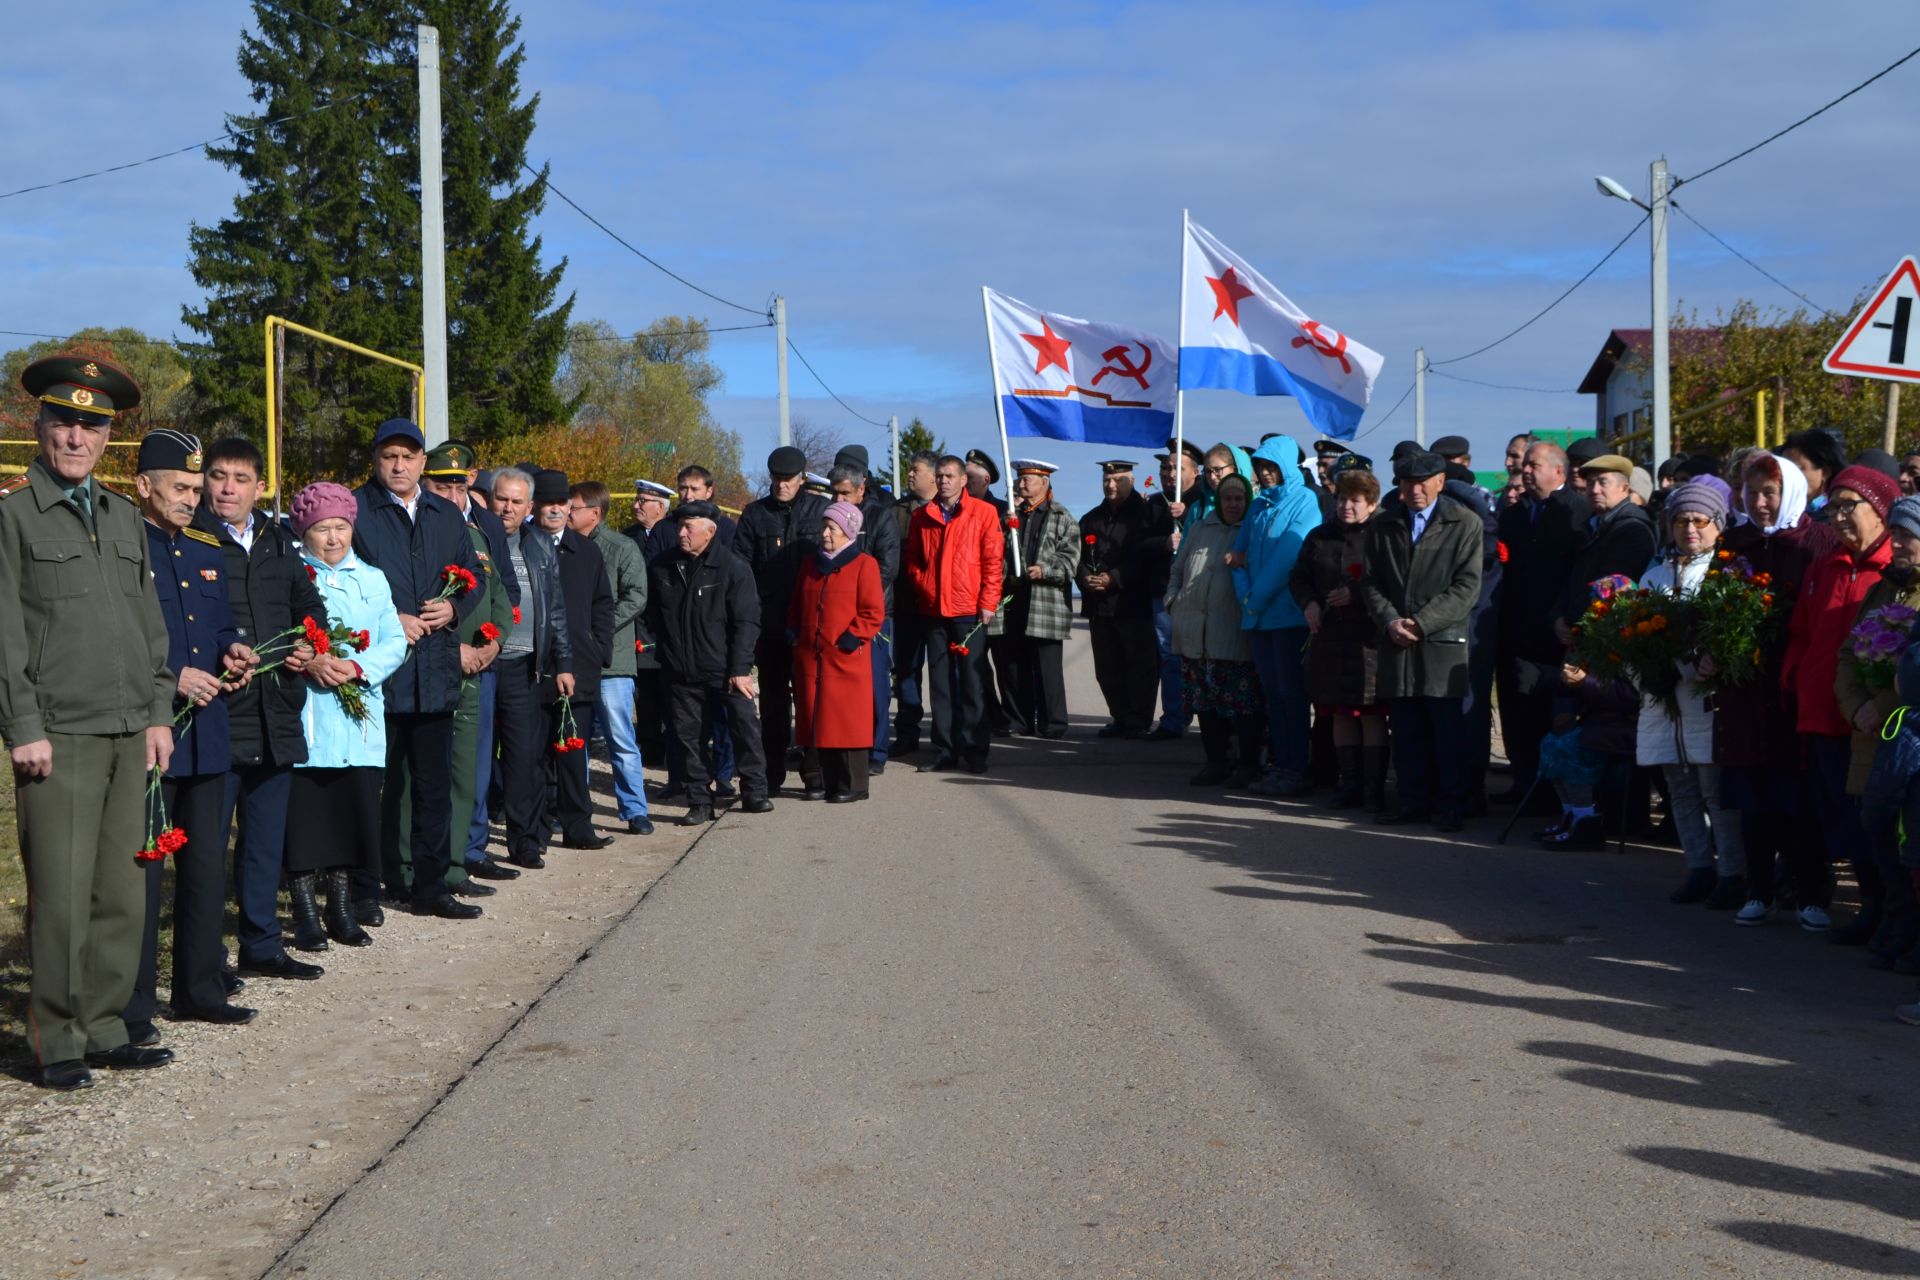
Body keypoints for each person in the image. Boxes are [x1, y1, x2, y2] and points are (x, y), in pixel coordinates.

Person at [1, 355, 178, 1089]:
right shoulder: (13, 517)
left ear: (110, 436)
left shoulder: (122, 517)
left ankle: (106, 1025)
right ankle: (59, 1040)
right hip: (60, 733)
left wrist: (159, 711)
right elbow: (5, 633)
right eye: (65, 421)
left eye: (92, 425)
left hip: (128, 728)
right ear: (40, 425)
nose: (77, 437)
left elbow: (148, 626)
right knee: (64, 894)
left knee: (119, 890)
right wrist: (23, 726)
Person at [125, 428, 261, 1035]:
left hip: (207, 734)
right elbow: (122, 639)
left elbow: (223, 621)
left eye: (194, 485)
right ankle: (131, 1004)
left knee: (205, 866)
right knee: (145, 873)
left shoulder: (206, 549)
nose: (192, 497)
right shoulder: (125, 547)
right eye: (179, 487)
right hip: (149, 734)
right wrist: (171, 676)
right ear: (143, 486)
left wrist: (234, 649)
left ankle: (200, 988)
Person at [194, 436, 330, 980]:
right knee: (205, 848)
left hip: (276, 712)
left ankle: (261, 944)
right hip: (218, 712)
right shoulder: (193, 538)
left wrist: (308, 644)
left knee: (264, 839)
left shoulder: (277, 541)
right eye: (219, 476)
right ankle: (203, 959)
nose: (228, 488)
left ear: (260, 487)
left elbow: (310, 609)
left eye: (241, 478)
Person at [352, 418, 483, 921]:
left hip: (434, 672)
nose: (399, 465)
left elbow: (470, 577)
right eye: (390, 456)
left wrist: (454, 609)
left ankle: (430, 886)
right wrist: (390, 618)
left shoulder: (446, 516)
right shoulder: (357, 511)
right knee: (371, 787)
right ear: (376, 459)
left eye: (409, 456)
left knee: (432, 787)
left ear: (423, 463)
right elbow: (337, 580)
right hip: (377, 677)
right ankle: (365, 888)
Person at [1716, 453, 1836, 930]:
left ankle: (1809, 893)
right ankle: (1758, 889)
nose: (1761, 503)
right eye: (1752, 492)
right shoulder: (1735, 542)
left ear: (1790, 491)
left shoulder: (1815, 542)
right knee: (1754, 798)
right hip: (1746, 692)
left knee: (1799, 800)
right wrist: (1712, 646)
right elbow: (1712, 605)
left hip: (1794, 691)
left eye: (1770, 492)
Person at [289, 483, 408, 949]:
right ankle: (304, 912)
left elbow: (394, 641)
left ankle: (341, 908)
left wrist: (358, 667)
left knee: (350, 815)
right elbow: (282, 635)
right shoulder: (293, 574)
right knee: (305, 818)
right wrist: (309, 660)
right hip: (309, 716)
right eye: (322, 529)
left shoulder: (373, 579)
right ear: (305, 532)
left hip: (358, 717)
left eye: (341, 528)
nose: (333, 538)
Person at [1784, 464, 1899, 946]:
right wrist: (1795, 679)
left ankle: (1883, 908)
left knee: (1872, 824)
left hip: (1870, 722)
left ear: (1880, 508)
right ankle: (1872, 907)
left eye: (1848, 505)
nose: (1837, 517)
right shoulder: (1825, 566)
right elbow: (1802, 634)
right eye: (1832, 507)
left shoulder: (1894, 571)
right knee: (1841, 821)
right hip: (1821, 716)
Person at [1636, 483, 1745, 906]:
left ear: (1718, 525)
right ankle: (1698, 866)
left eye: (1700, 520)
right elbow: (1632, 637)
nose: (1690, 529)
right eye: (1681, 521)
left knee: (1715, 790)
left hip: (1706, 701)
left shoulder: (1727, 575)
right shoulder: (1654, 575)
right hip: (1664, 703)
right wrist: (1646, 671)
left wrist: (1695, 662)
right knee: (1679, 788)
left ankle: (1733, 871)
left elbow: (1729, 638)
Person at [1362, 450, 1483, 832]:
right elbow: (1370, 582)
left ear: (1440, 482)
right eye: (1407, 482)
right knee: (1407, 731)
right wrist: (1390, 621)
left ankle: (1451, 805)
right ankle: (1411, 802)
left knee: (1447, 733)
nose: (1414, 489)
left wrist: (1421, 623)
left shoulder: (1464, 523)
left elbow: (1467, 587)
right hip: (1397, 642)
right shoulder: (1383, 526)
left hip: (1442, 643)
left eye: (1422, 482)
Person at [420, 441, 517, 887]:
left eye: (460, 486)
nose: (454, 496)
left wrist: (490, 647)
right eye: (443, 486)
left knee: (469, 773)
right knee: (421, 775)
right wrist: (452, 648)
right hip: (431, 664)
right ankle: (413, 866)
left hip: (477, 667)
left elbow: (499, 597)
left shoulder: (477, 535)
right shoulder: (417, 533)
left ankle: (459, 861)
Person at [1834, 492, 1920, 969]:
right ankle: (1888, 917)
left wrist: (1883, 705)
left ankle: (1905, 928)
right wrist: (1856, 706)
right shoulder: (1883, 588)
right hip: (1871, 734)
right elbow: (1850, 652)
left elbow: (1916, 669)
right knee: (1875, 831)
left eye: (1909, 536)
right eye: (1899, 534)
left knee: (1906, 840)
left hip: (1903, 730)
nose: (1900, 545)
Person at [649, 500, 774, 822]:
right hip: (681, 672)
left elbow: (747, 622)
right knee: (688, 739)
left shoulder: (732, 568)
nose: (681, 533)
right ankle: (699, 801)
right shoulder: (663, 566)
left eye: (689, 527)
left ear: (710, 530)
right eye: (679, 526)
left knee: (745, 729)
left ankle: (754, 791)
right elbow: (652, 616)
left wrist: (740, 669)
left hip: (726, 671)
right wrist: (666, 652)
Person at [486, 469, 573, 868]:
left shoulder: (539, 545)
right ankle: (468, 843)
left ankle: (524, 840)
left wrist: (563, 663)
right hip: (481, 666)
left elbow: (555, 611)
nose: (507, 507)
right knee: (479, 757)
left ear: (529, 507)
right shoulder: (475, 539)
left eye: (516, 502)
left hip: (524, 667)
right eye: (502, 498)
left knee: (524, 758)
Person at [1230, 436, 1324, 794]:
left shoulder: (1305, 501)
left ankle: (1295, 768)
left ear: (1285, 467)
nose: (1266, 474)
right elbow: (1237, 558)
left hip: (1286, 615)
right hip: (1257, 616)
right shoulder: (1257, 507)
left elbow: (1288, 557)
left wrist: (1255, 598)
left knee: (1291, 694)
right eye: (1260, 468)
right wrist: (1246, 598)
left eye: (1271, 467)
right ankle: (1279, 765)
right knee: (1271, 694)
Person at [1494, 442, 1585, 808]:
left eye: (1534, 465)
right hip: (1517, 634)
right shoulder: (1515, 515)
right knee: (1518, 712)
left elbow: (1576, 573)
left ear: (1558, 473)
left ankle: (1553, 791)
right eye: (1525, 465)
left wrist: (1563, 616)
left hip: (1557, 636)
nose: (1526, 471)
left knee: (1554, 715)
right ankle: (1525, 782)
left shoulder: (1576, 512)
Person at [1291, 465, 1386, 808]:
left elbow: (1393, 579)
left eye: (1356, 500)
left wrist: (1357, 594)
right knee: (1339, 712)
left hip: (1369, 640)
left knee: (1371, 712)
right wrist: (1310, 603)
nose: (1347, 506)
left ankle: (1373, 788)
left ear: (1372, 504)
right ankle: (1349, 783)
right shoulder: (1319, 536)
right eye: (1343, 498)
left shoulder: (1384, 534)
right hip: (1329, 637)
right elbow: (1299, 577)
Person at [736, 445, 829, 795]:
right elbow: (741, 567)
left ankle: (814, 771)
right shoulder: (755, 515)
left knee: (811, 702)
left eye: (788, 479)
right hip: (771, 624)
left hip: (810, 624)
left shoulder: (821, 511)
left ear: (802, 478)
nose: (781, 485)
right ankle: (771, 773)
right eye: (776, 479)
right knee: (773, 705)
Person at [903, 454, 1005, 773]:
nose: (944, 481)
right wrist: (925, 586)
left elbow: (992, 561)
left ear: (963, 480)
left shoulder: (984, 513)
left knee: (973, 683)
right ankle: (945, 748)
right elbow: (913, 559)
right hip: (934, 610)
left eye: (950, 476)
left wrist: (989, 601)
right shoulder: (923, 516)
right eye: (940, 476)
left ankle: (975, 750)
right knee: (940, 684)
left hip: (969, 611)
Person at [532, 471, 614, 850]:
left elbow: (603, 605)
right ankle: (535, 829)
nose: (554, 509)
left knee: (572, 751)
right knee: (533, 755)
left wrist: (599, 651)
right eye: (547, 503)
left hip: (578, 668)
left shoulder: (586, 551)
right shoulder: (522, 546)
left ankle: (578, 827)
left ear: (569, 507)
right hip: (532, 669)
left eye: (561, 503)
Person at [1168, 466, 1264, 787]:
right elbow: (1177, 569)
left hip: (1232, 633)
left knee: (1242, 706)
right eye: (1227, 498)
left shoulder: (1253, 529)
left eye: (1239, 498)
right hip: (1195, 633)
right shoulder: (1198, 528)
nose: (1233, 504)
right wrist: (1173, 600)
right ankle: (1216, 762)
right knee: (1205, 703)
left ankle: (1248, 764)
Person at [570, 480, 653, 835]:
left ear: (594, 513)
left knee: (620, 739)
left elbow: (636, 596)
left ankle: (634, 810)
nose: (566, 512)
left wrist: (597, 628)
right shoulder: (562, 547)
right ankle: (576, 810)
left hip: (612, 663)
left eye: (573, 507)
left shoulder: (621, 547)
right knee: (575, 740)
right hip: (572, 663)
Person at [790, 501, 886, 802]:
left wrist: (851, 637)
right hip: (811, 657)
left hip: (844, 658)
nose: (825, 533)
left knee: (846, 723)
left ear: (848, 532)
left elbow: (872, 612)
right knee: (818, 721)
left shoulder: (864, 564)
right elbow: (797, 603)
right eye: (824, 527)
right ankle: (826, 783)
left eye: (832, 528)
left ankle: (854, 785)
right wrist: (794, 631)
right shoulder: (810, 563)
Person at [988, 459, 1081, 739]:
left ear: (1044, 482)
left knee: (1047, 667)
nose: (1021, 483)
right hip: (1012, 598)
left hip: (1045, 600)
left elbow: (1070, 561)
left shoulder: (1061, 517)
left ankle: (1053, 723)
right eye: (1020, 478)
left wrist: (1046, 570)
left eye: (1028, 478)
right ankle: (1019, 719)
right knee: (1013, 665)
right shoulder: (1010, 518)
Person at [1077, 459, 1166, 740]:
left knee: (1139, 666)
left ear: (1132, 481)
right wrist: (1084, 579)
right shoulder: (1091, 518)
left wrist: (1113, 577)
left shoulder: (1145, 514)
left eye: (1118, 480)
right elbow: (1077, 556)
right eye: (1107, 480)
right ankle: (1119, 716)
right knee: (1107, 667)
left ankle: (1138, 720)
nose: (1111, 485)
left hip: (1133, 603)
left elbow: (1144, 556)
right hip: (1098, 605)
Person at [829, 448, 901, 774]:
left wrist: (857, 598)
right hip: (835, 616)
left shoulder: (879, 517)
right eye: (835, 492)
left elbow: (887, 568)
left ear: (861, 489)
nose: (840, 498)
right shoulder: (828, 515)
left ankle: (876, 749)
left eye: (846, 492)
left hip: (874, 615)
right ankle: (844, 746)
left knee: (875, 686)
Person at [1554, 454, 1657, 648]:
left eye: (1603, 482)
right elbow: (1573, 578)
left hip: (1612, 641)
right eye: (1591, 483)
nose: (1594, 490)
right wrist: (1558, 617)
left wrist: (1569, 620)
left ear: (1624, 488)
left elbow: (1609, 586)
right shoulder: (1593, 527)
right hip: (1586, 634)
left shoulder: (1633, 530)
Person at [1147, 443, 1204, 739]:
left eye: (1177, 468)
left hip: (1198, 592)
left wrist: (1188, 514)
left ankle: (1211, 717)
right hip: (1164, 593)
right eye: (1166, 468)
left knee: (1201, 656)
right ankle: (1174, 718)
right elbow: (1137, 545)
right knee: (1170, 656)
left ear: (1195, 471)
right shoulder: (1155, 504)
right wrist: (1162, 543)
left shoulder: (1207, 501)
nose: (1170, 474)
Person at [623, 477, 677, 766]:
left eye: (643, 501)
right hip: (640, 629)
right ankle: (652, 751)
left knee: (671, 695)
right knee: (645, 696)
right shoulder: (627, 537)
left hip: (668, 628)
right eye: (637, 499)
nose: (636, 505)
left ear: (660, 506)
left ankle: (673, 751)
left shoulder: (674, 534)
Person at [890, 449, 940, 756]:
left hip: (938, 608)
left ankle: (943, 735)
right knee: (906, 672)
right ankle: (907, 734)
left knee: (942, 674)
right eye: (909, 469)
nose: (909, 474)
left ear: (934, 476)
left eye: (915, 470)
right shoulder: (897, 512)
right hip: (906, 605)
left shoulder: (949, 509)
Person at [1781, 428, 1847, 518]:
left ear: (1825, 472)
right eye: (1782, 469)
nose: (1785, 476)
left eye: (1796, 469)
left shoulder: (1840, 516)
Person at [676, 464, 736, 547]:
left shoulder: (726, 528)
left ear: (709, 492)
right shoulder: (663, 528)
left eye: (694, 489)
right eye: (683, 488)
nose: (688, 495)